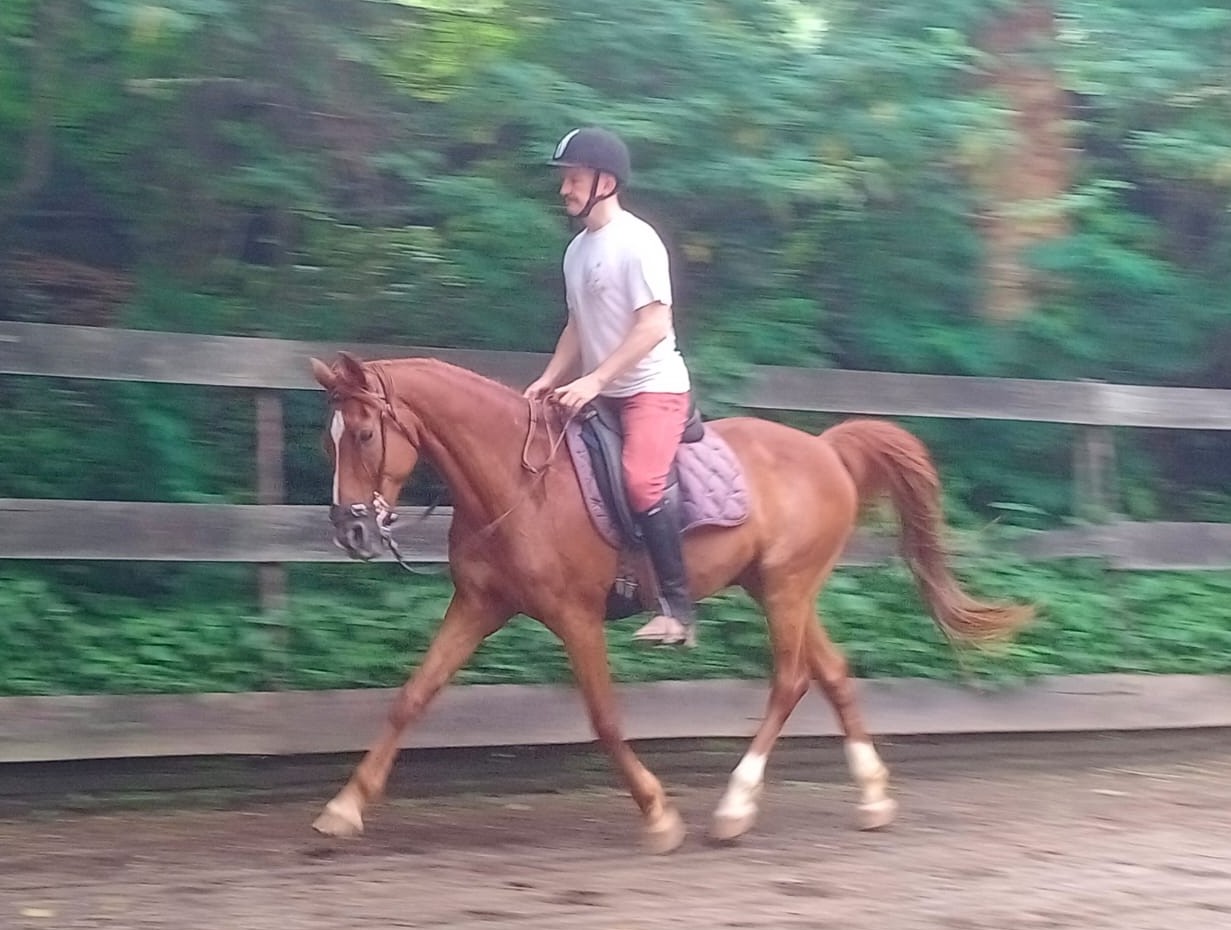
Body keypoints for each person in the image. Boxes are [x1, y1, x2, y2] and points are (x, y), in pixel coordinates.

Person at [524, 127, 697, 647]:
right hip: (601, 391)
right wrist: (549, 380)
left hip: (652, 389)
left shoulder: (638, 241)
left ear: (605, 181)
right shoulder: (576, 251)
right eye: (565, 179)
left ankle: (677, 608)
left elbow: (653, 325)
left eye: (573, 178)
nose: (564, 190)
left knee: (642, 483)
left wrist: (594, 379)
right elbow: (578, 326)